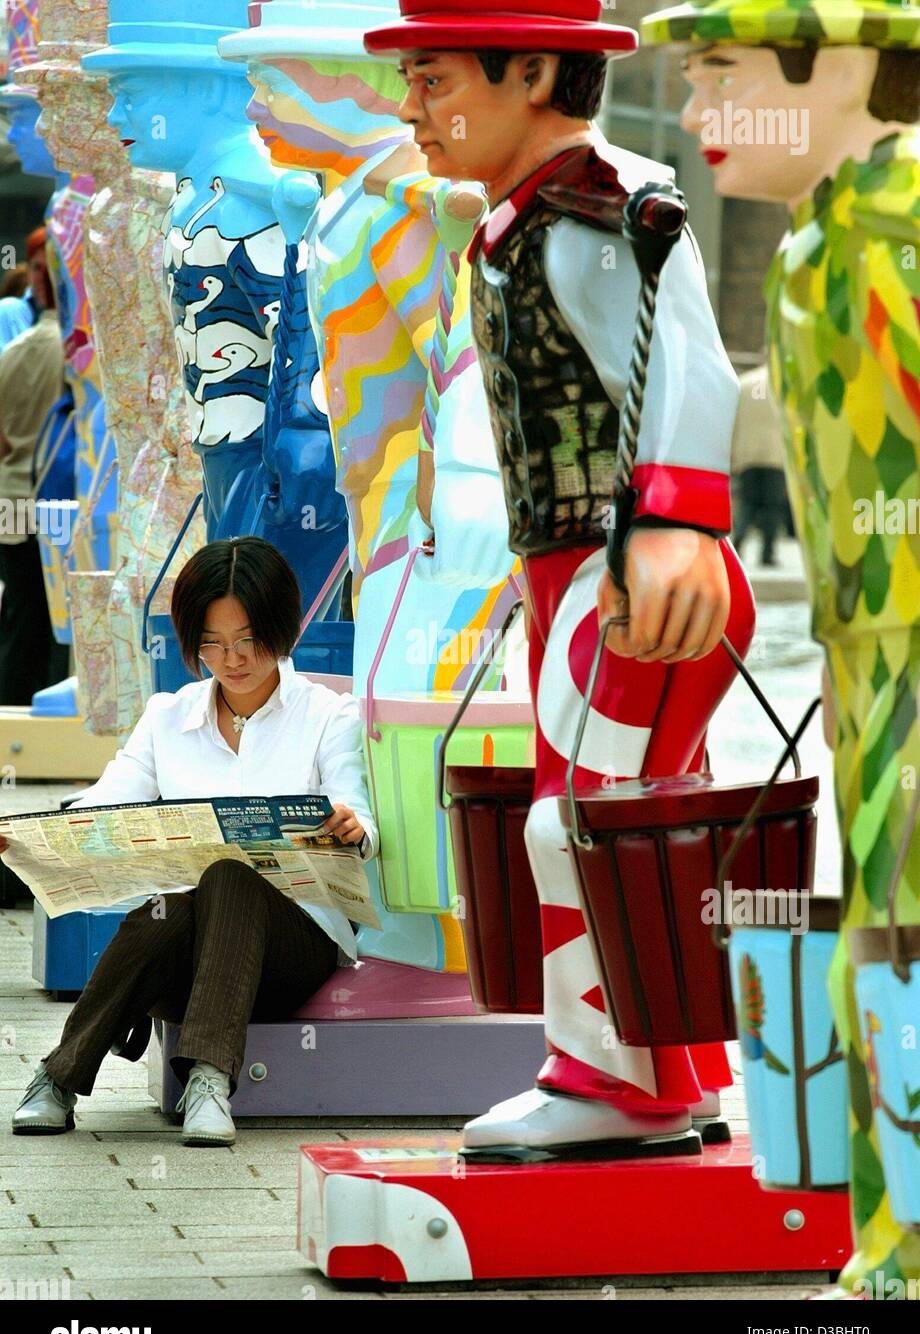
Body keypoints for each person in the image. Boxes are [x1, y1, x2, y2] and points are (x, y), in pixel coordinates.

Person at [364, 0, 756, 1160]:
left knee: (575, 821)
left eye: (432, 81)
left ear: (529, 70)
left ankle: (606, 1082)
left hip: (626, 569)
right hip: (583, 572)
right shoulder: (529, 219)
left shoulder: (597, 213)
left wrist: (672, 523)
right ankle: (674, 1066)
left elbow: (691, 363)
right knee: (637, 815)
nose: (412, 110)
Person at [642, 0, 920, 1301]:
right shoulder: (819, 246)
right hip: (868, 659)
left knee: (904, 920)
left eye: (722, 76)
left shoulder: (898, 237)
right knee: (884, 921)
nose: (698, 115)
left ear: (844, 65)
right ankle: (892, 1239)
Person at [8, 537, 378, 1146]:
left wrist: (352, 827)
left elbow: (356, 807)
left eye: (247, 639)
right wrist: (33, 835)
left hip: (292, 951)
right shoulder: (167, 717)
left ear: (282, 627)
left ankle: (209, 1080)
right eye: (212, 643)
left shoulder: (326, 715)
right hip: (186, 953)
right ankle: (59, 1078)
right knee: (168, 909)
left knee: (231, 875)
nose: (232, 659)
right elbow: (105, 802)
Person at [0, 238, 69, 705]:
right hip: (56, 494)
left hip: (9, 494)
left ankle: (12, 705)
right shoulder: (76, 353)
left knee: (20, 611)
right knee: (53, 613)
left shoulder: (14, 352)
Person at [730, 363, 789, 567]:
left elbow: (735, 421)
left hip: (748, 454)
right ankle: (767, 553)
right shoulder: (782, 382)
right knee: (772, 507)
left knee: (747, 503)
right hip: (775, 454)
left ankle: (737, 544)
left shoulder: (744, 384)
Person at [0, 227, 46, 351]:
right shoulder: (8, 310)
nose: (44, 277)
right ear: (29, 269)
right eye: (37, 267)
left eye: (50, 268)